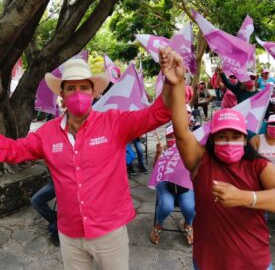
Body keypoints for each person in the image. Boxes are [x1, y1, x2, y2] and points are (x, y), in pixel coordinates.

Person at [0, 57, 177, 270]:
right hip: (70, 234)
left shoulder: (114, 123)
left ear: (93, 93)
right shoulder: (47, 134)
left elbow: (157, 114)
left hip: (109, 232)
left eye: (84, 87)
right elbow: (13, 150)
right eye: (71, 88)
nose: (78, 93)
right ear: (62, 95)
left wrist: (171, 84)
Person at [160, 48, 275, 270]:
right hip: (208, 261)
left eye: (235, 136)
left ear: (245, 140)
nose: (228, 141)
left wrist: (245, 198)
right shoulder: (200, 162)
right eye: (222, 136)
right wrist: (176, 84)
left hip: (253, 263)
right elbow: (182, 132)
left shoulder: (258, 166)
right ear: (212, 139)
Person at [150, 124, 195, 246]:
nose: (173, 138)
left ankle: (188, 224)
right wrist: (159, 154)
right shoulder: (164, 150)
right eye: (170, 136)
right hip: (165, 183)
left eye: (176, 135)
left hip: (184, 184)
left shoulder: (191, 148)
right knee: (166, 206)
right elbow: (155, 170)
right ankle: (157, 225)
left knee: (189, 207)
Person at [31, 178, 58, 246]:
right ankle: (55, 221)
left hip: (73, 183)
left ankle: (54, 228)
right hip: (55, 182)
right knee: (36, 201)